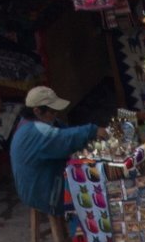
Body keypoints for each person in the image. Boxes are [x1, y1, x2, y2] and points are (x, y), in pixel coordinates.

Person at [9, 86, 95, 224]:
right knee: (95, 188)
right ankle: (92, 232)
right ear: (37, 111)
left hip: (33, 188)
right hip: (45, 195)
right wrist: (93, 130)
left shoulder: (28, 122)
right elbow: (65, 139)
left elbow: (64, 131)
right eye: (52, 111)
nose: (56, 114)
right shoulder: (36, 132)